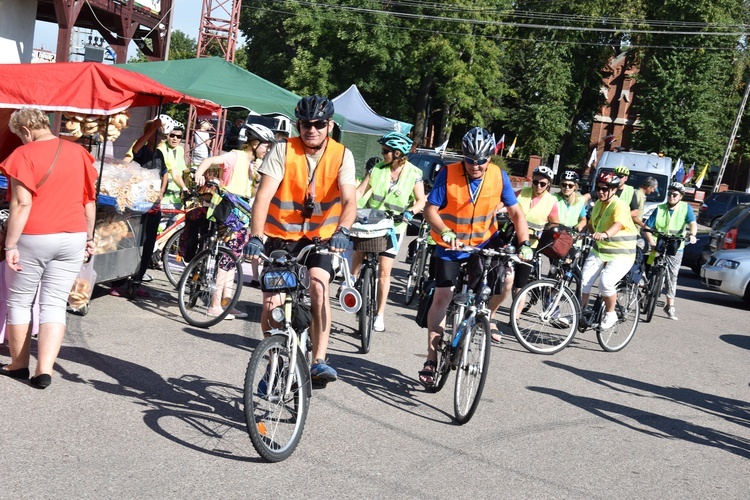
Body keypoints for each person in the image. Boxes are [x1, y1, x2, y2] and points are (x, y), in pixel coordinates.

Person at [247, 95, 357, 383]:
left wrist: (342, 230)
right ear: (299, 125)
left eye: (319, 124)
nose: (312, 129)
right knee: (272, 301)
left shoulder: (342, 155)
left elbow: (350, 202)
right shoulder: (282, 150)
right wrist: (256, 237)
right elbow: (262, 199)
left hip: (321, 240)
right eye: (306, 124)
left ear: (329, 125)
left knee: (319, 286)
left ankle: (318, 360)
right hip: (280, 238)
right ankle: (273, 361)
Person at [418, 126, 531, 387]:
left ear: (490, 157)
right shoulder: (448, 173)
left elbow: (516, 213)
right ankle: (431, 357)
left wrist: (525, 243)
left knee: (504, 282)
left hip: (483, 243)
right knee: (443, 296)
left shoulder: (499, 176)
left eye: (481, 160)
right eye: (470, 160)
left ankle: (483, 318)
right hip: (450, 244)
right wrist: (445, 232)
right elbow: (430, 210)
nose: (475, 166)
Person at [0, 108, 97, 389]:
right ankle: (45, 370)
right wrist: (89, 237)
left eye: (20, 135)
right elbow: (88, 201)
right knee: (54, 303)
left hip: (35, 235)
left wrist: (10, 245)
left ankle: (18, 364)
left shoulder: (23, 155)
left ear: (26, 130)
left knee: (20, 301)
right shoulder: (79, 153)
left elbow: (21, 204)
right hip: (74, 234)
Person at [194, 123, 277, 319]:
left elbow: (254, 192)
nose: (267, 150)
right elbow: (210, 160)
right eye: (265, 146)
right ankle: (215, 305)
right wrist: (198, 173)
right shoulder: (235, 156)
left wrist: (256, 178)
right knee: (226, 259)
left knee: (233, 259)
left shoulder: (251, 164)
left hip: (241, 214)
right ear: (254, 143)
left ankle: (227, 302)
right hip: (228, 213)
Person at [353, 131, 426, 332]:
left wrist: (410, 212)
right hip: (371, 221)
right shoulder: (377, 168)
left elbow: (421, 200)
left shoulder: (414, 174)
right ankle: (351, 280)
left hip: (394, 227)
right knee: (359, 247)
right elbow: (360, 191)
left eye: (385, 151)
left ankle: (379, 314)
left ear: (397, 153)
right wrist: (350, 206)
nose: (382, 153)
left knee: (384, 271)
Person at [488, 165, 559, 342]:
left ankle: (515, 318)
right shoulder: (521, 192)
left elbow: (554, 224)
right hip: (511, 239)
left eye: (543, 183)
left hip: (531, 246)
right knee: (505, 276)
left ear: (549, 184)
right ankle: (491, 314)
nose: (538, 186)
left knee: (521, 283)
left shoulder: (551, 201)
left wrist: (544, 233)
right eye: (535, 182)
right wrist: (497, 210)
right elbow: (505, 204)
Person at [111, 118, 169, 298]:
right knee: (128, 241)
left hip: (153, 205)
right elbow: (136, 147)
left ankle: (137, 280)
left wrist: (161, 191)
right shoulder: (142, 150)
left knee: (148, 244)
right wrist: (152, 129)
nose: (161, 137)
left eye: (161, 134)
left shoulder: (159, 154)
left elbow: (164, 173)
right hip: (136, 205)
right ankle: (118, 281)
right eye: (157, 134)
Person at [580, 172, 638, 329]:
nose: (601, 192)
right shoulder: (599, 203)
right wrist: (581, 232)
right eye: (599, 188)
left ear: (614, 190)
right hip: (600, 251)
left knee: (605, 282)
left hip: (621, 253)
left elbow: (618, 225)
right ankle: (578, 314)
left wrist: (605, 234)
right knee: (583, 282)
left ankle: (611, 314)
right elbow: (592, 224)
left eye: (605, 189)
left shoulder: (620, 205)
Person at [643, 182, 697, 320]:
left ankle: (669, 306)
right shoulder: (659, 208)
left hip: (675, 245)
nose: (671, 197)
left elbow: (692, 223)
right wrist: (651, 241)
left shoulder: (686, 208)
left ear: (680, 197)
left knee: (672, 275)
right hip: (658, 243)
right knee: (647, 266)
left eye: (675, 195)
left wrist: (692, 235)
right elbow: (647, 227)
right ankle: (643, 290)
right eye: (669, 194)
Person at [158, 124, 190, 207]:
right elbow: (174, 174)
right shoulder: (162, 149)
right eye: (172, 135)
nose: (175, 138)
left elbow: (182, 169)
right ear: (167, 135)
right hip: (163, 198)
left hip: (177, 198)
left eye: (178, 136)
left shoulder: (180, 150)